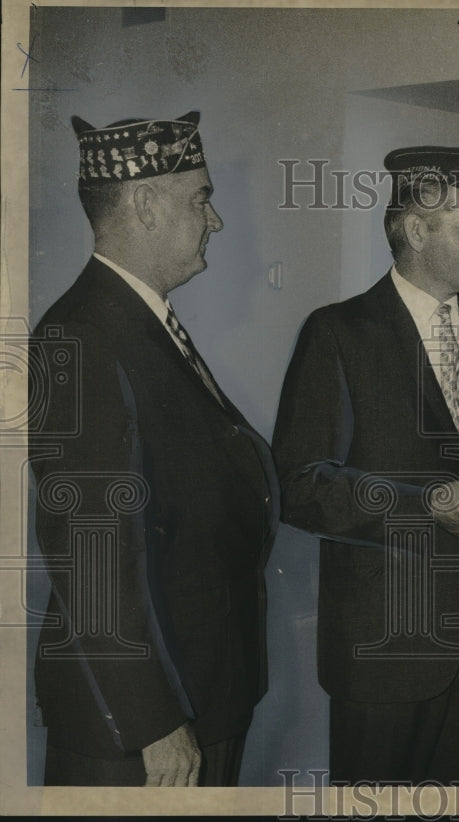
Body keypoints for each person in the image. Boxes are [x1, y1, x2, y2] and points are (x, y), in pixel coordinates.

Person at [271, 146, 459, 783]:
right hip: (381, 649)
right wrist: (427, 509)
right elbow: (300, 483)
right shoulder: (338, 332)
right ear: (417, 231)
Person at [29, 112, 279, 786]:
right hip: (143, 727)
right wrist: (155, 721)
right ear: (144, 204)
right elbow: (90, 551)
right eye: (200, 197)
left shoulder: (140, 321)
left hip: (201, 689)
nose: (215, 220)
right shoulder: (83, 334)